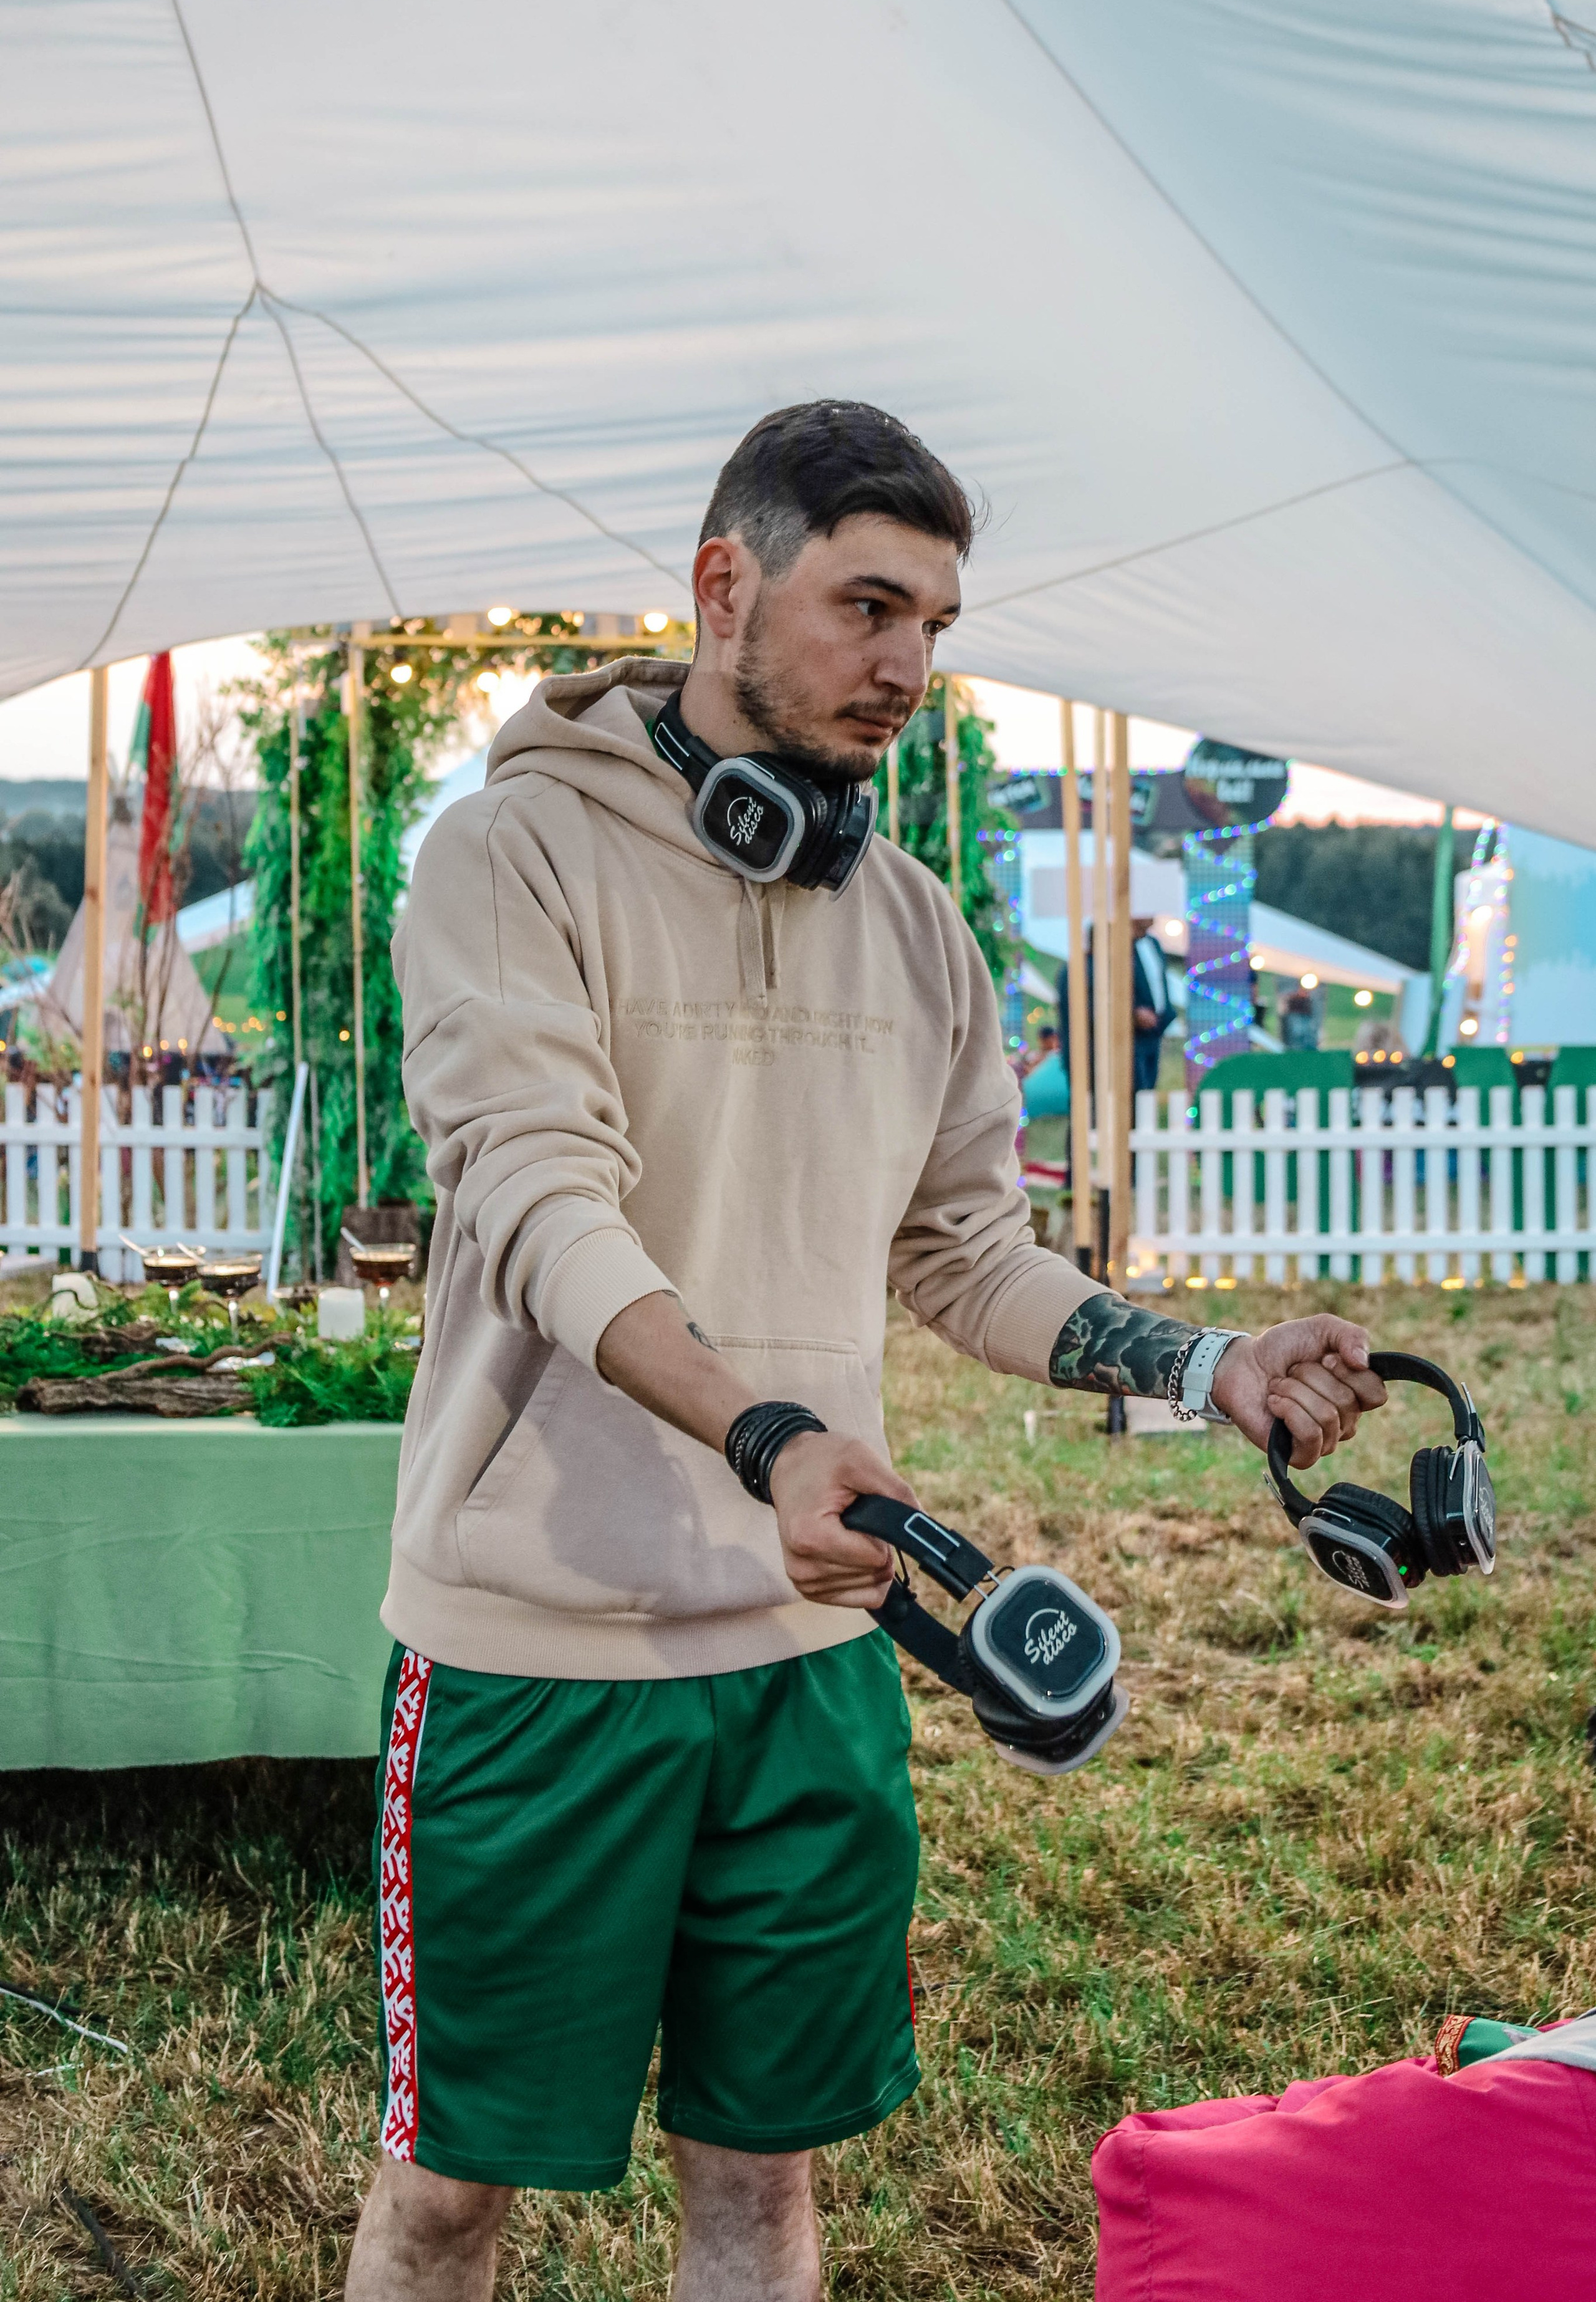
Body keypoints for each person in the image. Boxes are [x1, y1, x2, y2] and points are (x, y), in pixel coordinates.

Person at [347, 398, 1388, 2302]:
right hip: (536, 1656)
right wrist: (766, 1433)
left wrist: (1203, 1358)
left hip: (817, 1653)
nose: (907, 662)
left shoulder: (910, 923)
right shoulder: (506, 856)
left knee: (762, 2192)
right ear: (724, 584)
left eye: (934, 621)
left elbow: (963, 1247)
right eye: (866, 605)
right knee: (447, 2202)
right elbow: (536, 1196)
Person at [1057, 917, 1176, 1097]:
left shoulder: (1104, 966)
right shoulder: (1083, 970)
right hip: (1092, 1056)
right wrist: (1132, 1015)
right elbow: (1092, 1011)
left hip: (1133, 1045)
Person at [1131, 915, 1177, 1092]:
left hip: (1156, 1028)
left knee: (1150, 1085)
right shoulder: (1121, 946)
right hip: (1133, 1030)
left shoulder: (1154, 943)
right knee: (1137, 1086)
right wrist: (1133, 1012)